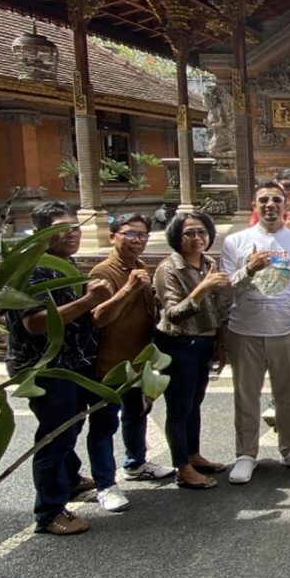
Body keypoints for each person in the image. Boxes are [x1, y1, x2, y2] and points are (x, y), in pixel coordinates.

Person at [4, 202, 114, 535]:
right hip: (48, 367)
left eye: (75, 227)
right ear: (40, 234)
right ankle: (49, 512)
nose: (73, 234)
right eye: (62, 229)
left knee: (69, 428)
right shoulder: (32, 270)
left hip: (74, 362)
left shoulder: (65, 263)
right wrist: (87, 301)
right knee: (55, 437)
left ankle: (69, 478)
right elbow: (36, 324)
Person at [220, 180, 290, 484]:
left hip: (287, 329)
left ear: (286, 205)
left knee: (287, 395)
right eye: (263, 199)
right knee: (246, 395)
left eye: (276, 200)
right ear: (255, 205)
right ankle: (246, 454)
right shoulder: (236, 241)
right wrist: (249, 269)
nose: (270, 205)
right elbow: (226, 290)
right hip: (245, 331)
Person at [89, 213, 171, 508]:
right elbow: (98, 318)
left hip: (138, 359)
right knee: (104, 424)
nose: (138, 240)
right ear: (113, 237)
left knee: (136, 414)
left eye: (143, 235)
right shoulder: (103, 271)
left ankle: (136, 464)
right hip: (110, 363)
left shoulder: (139, 266)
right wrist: (128, 289)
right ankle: (105, 485)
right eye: (130, 234)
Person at [152, 211, 231, 490]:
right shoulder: (168, 269)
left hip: (204, 343)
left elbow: (221, 307)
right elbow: (174, 314)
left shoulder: (208, 263)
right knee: (179, 407)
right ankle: (182, 467)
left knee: (195, 403)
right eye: (189, 233)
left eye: (202, 232)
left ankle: (193, 455)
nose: (197, 238)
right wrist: (203, 287)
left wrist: (221, 344)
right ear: (177, 236)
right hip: (179, 344)